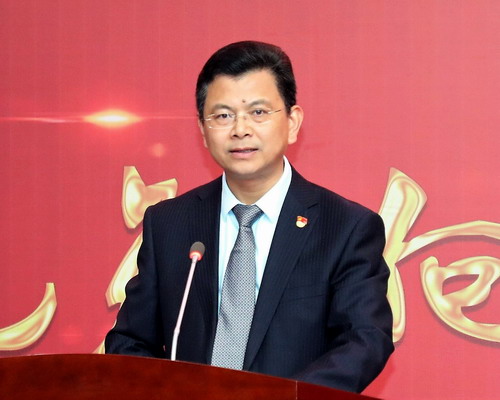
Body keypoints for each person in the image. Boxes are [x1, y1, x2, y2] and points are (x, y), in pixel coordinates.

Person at [105, 41, 394, 393]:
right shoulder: (169, 223)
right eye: (223, 116)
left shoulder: (345, 227)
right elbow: (130, 341)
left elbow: (364, 340)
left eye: (258, 112)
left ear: (292, 122)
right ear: (203, 130)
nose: (240, 129)